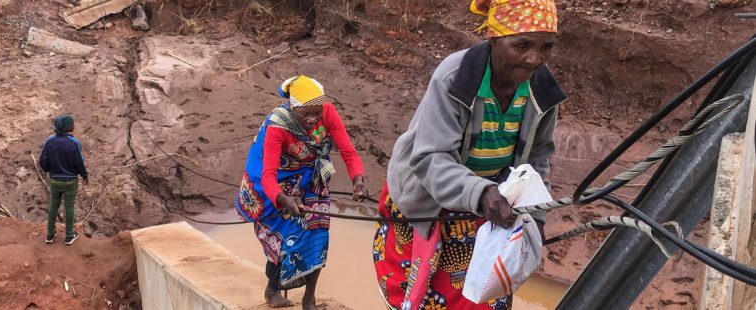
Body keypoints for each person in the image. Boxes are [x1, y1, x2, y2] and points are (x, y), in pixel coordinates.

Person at [372, 0, 565, 309]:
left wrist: (535, 220)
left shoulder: (541, 90)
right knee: (420, 297)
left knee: (485, 295)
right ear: (493, 37)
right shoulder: (455, 77)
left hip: (489, 206)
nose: (534, 59)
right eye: (522, 45)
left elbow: (537, 161)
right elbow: (431, 158)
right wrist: (482, 191)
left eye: (546, 47)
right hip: (428, 200)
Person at [235, 75, 367, 309]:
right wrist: (284, 199)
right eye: (305, 114)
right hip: (279, 179)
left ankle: (309, 298)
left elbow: (349, 152)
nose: (313, 119)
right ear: (293, 107)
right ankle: (272, 288)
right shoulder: (278, 125)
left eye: (317, 113)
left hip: (311, 175)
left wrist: (358, 180)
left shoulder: (328, 113)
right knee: (284, 235)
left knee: (318, 233)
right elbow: (268, 174)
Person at [39, 115, 88, 246]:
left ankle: (50, 234)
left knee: (53, 205)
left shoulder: (49, 141)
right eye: (72, 124)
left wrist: (49, 170)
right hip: (70, 181)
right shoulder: (74, 143)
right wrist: (84, 175)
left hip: (55, 180)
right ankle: (68, 236)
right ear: (69, 127)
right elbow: (79, 162)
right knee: (69, 207)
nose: (74, 126)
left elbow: (42, 160)